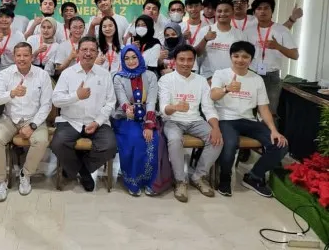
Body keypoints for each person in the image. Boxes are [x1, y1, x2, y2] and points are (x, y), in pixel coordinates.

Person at [210, 41, 288, 197]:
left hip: (248, 121)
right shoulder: (221, 74)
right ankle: (225, 179)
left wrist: (274, 130)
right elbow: (213, 95)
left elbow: (263, 108)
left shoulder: (256, 79)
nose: (240, 60)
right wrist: (226, 89)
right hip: (226, 119)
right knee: (230, 143)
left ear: (251, 59)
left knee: (280, 144)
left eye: (245, 56)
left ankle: (254, 176)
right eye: (236, 56)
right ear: (230, 56)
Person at [158, 44, 223, 203]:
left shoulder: (201, 81)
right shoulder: (166, 79)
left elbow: (208, 108)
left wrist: (216, 128)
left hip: (195, 120)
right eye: (181, 59)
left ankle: (198, 176)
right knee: (174, 140)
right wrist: (175, 107)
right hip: (172, 121)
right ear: (174, 61)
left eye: (189, 60)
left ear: (194, 61)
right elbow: (163, 108)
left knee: (217, 140)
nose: (186, 63)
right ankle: (180, 181)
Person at [51, 36, 117, 192]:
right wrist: (76, 96)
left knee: (110, 146)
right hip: (70, 121)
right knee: (58, 144)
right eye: (84, 50)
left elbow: (110, 103)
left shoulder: (104, 74)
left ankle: (80, 168)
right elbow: (56, 101)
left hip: (96, 122)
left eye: (92, 50)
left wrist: (98, 122)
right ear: (78, 52)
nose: (88, 53)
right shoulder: (67, 73)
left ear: (97, 53)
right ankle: (83, 171)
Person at [0, 42, 53, 201]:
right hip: (9, 118)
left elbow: (46, 105)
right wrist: (12, 93)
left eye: (26, 55)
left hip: (33, 118)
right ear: (14, 57)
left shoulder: (42, 75)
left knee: (41, 141)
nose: (22, 59)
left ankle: (26, 174)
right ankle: (0, 181)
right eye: (18, 55)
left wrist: (32, 125)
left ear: (32, 56)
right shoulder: (5, 74)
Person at [112, 45, 161, 196]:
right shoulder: (118, 77)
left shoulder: (150, 76)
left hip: (147, 116)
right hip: (125, 118)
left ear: (139, 57)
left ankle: (148, 180)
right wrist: (128, 109)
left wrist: (149, 124)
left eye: (134, 57)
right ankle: (132, 180)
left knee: (154, 139)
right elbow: (122, 100)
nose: (131, 61)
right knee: (134, 138)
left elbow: (152, 101)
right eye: (126, 58)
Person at [244, 0, 299, 115]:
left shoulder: (282, 30)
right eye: (259, 8)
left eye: (266, 8)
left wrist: (278, 46)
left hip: (271, 77)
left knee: (270, 112)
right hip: (251, 74)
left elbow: (295, 55)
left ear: (272, 11)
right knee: (248, 111)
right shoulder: (248, 31)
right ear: (254, 12)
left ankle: (270, 134)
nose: (263, 11)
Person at [194, 0, 244, 81]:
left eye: (226, 11)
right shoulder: (205, 30)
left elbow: (244, 58)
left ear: (233, 13)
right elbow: (196, 53)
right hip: (208, 77)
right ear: (215, 13)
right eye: (219, 11)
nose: (222, 14)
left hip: (231, 78)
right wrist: (205, 39)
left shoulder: (240, 35)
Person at [228, 0, 302, 32]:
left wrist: (292, 18)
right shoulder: (224, 21)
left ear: (248, 6)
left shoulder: (257, 20)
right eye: (235, 2)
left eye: (242, 2)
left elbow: (279, 31)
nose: (239, 4)